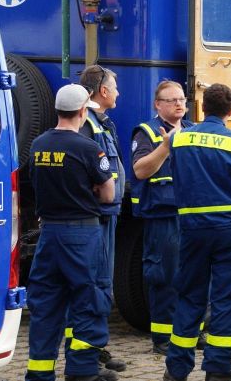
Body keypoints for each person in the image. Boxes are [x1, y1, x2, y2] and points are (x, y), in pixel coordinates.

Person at [163, 84, 231, 381]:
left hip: (192, 229)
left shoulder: (179, 138)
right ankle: (218, 368)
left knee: (190, 296)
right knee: (228, 297)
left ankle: (176, 369)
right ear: (230, 111)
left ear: (201, 108)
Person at [25, 84, 115, 381]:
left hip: (48, 235)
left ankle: (39, 373)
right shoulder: (89, 148)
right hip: (82, 234)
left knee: (47, 304)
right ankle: (82, 371)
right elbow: (108, 194)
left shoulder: (38, 144)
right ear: (81, 111)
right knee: (89, 299)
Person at [131, 81, 193, 354]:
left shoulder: (194, 131)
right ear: (158, 105)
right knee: (164, 276)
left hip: (191, 215)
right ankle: (163, 338)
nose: (179, 104)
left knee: (194, 275)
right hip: (163, 217)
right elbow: (140, 171)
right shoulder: (146, 132)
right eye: (171, 100)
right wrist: (165, 147)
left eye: (181, 99)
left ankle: (190, 333)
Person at [76, 65, 127, 376]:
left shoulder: (100, 122)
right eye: (115, 88)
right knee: (94, 285)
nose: (118, 93)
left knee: (101, 284)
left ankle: (96, 345)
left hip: (107, 214)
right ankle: (87, 353)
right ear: (103, 92)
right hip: (96, 216)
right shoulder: (88, 125)